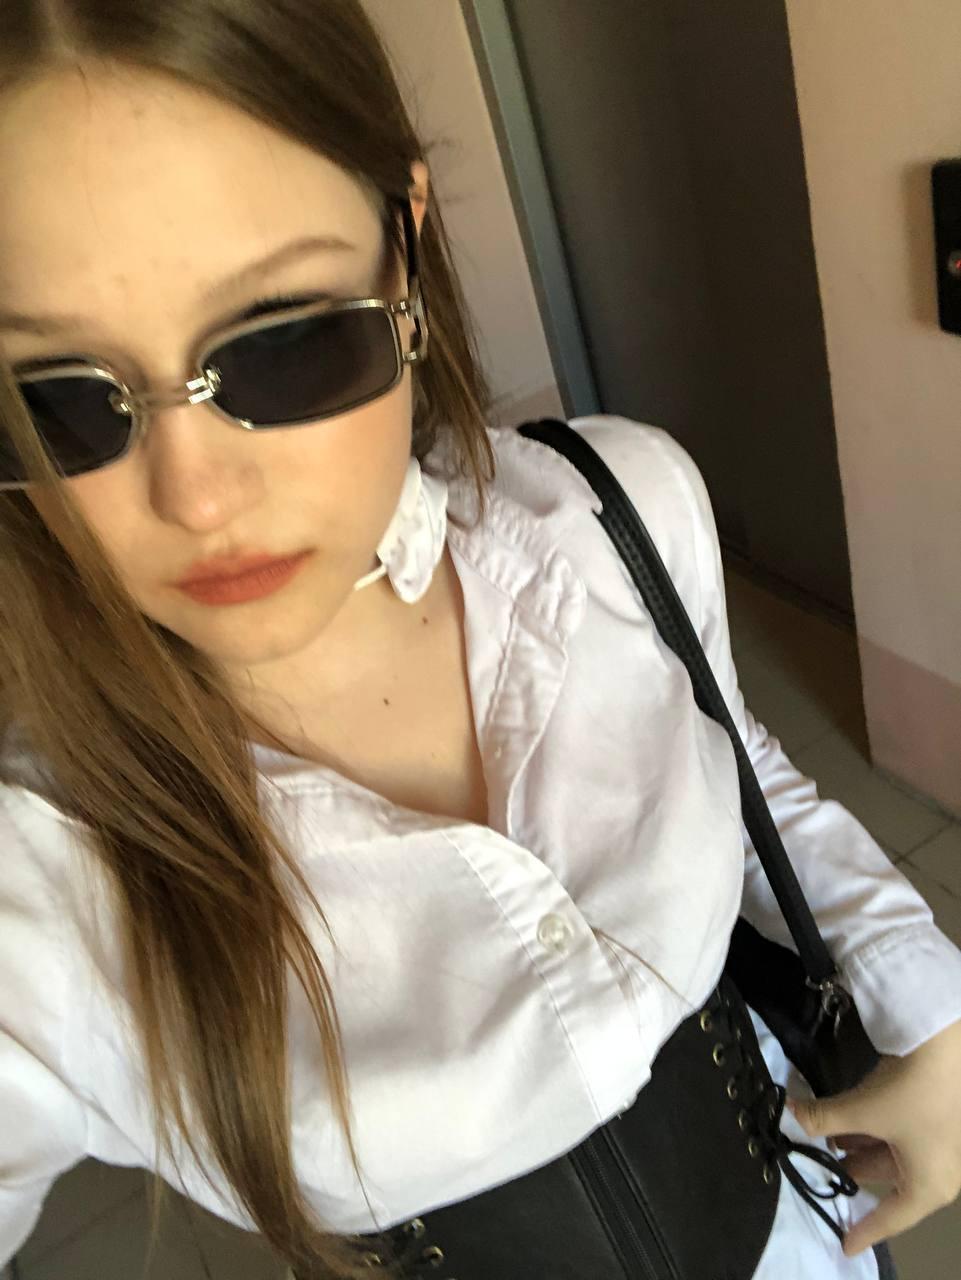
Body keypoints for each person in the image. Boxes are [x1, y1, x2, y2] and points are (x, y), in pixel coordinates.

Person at [0, 3, 958, 1279]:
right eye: (58, 400)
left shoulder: (611, 513)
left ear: (405, 242)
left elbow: (737, 766)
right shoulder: (38, 874)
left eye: (283, 341)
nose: (198, 497)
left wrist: (924, 999)